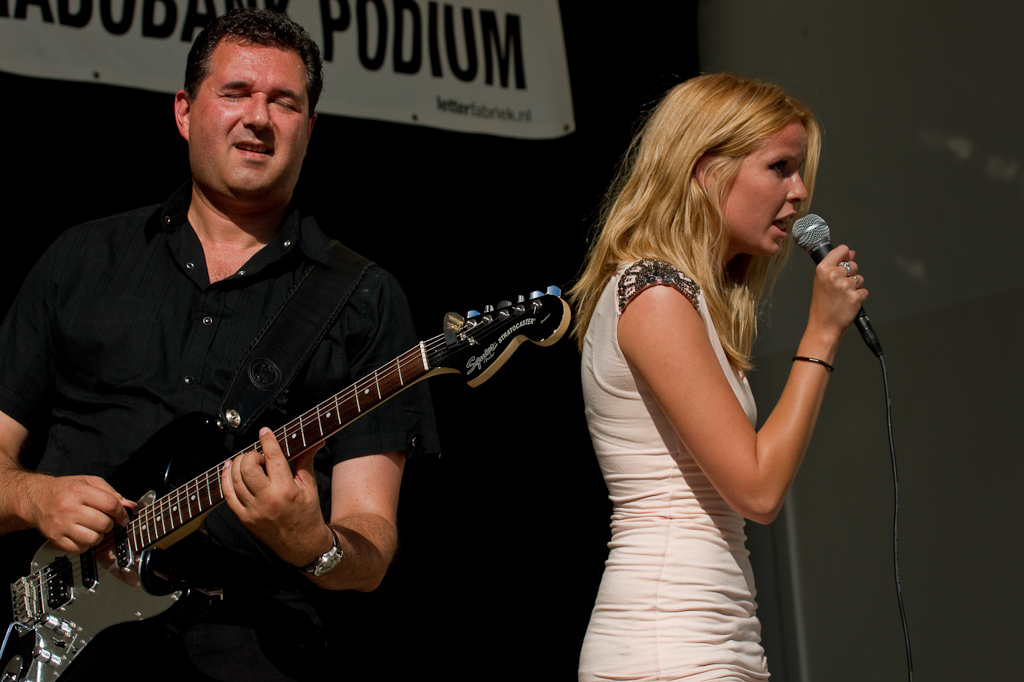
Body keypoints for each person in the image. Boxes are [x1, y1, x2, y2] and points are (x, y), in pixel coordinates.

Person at [0, 8, 437, 681]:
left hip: (257, 654)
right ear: (185, 111)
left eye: (284, 102)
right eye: (236, 92)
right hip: (63, 654)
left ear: (310, 128)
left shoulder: (365, 298)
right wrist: (33, 498)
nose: (258, 118)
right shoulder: (81, 259)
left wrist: (313, 543)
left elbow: (370, 548)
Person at [568, 73, 867, 680]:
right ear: (707, 170)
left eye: (799, 171)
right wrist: (821, 334)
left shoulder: (681, 295)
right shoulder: (654, 294)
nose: (799, 192)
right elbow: (757, 490)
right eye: (779, 167)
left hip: (711, 634)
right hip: (668, 640)